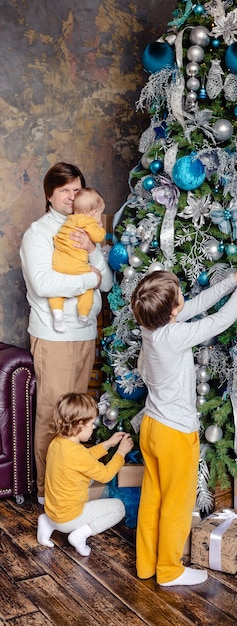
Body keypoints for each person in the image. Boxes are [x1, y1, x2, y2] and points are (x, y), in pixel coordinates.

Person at [130, 260, 237, 587]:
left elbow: (193, 306)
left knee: (152, 499)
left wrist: (232, 280)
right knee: (177, 505)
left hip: (151, 428)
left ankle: (146, 564)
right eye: (179, 297)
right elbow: (221, 319)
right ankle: (169, 571)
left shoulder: (152, 329)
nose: (184, 301)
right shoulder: (174, 336)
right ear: (172, 312)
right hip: (175, 434)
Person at [20, 162, 113, 504]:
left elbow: (110, 281)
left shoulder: (89, 229)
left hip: (85, 333)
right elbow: (45, 283)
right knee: (53, 414)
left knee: (79, 417)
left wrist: (92, 252)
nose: (72, 198)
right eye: (65, 192)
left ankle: (71, 487)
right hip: (54, 335)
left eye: (77, 190)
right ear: (49, 195)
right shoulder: (39, 233)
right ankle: (48, 493)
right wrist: (90, 279)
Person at [37, 392, 134, 556]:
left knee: (92, 496)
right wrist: (121, 453)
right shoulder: (78, 454)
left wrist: (107, 444)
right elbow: (106, 475)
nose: (94, 427)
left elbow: (83, 458)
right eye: (91, 424)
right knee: (119, 508)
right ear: (80, 425)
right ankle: (79, 535)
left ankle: (47, 522)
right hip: (69, 519)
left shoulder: (57, 443)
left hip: (53, 511)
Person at [49, 187, 107, 332]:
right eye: (100, 214)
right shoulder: (88, 223)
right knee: (87, 287)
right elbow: (99, 236)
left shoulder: (69, 221)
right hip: (76, 266)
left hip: (59, 262)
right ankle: (83, 314)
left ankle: (57, 311)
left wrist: (91, 248)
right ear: (94, 213)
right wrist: (100, 228)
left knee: (56, 293)